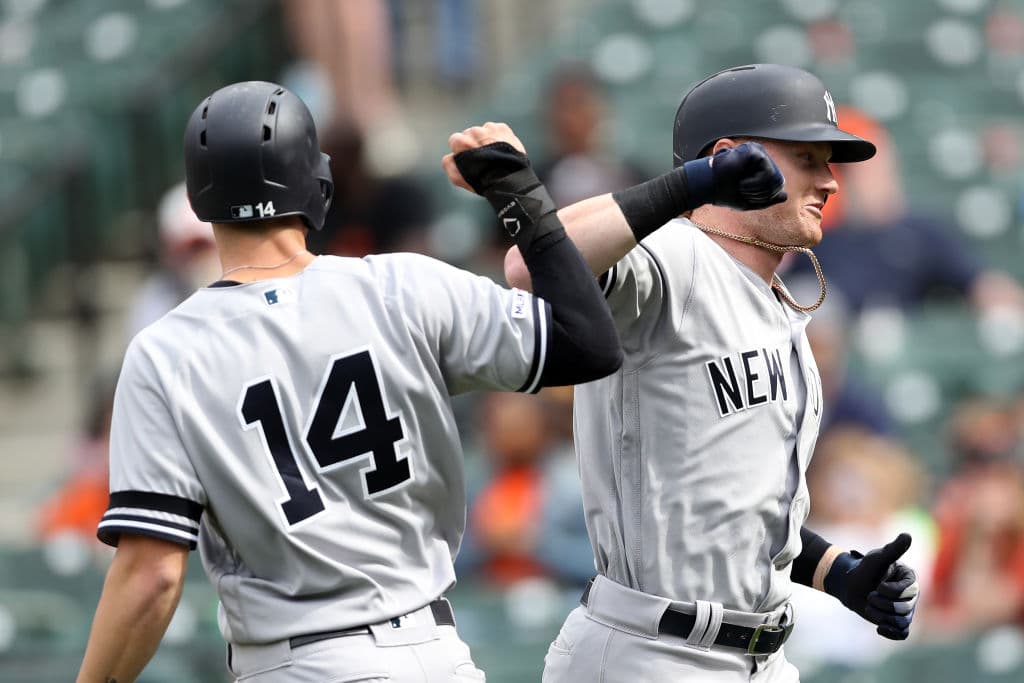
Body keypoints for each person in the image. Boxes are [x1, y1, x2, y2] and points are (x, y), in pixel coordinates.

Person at [75, 80, 627, 683]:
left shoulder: (166, 351)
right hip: (437, 655)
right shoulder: (403, 286)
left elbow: (153, 577)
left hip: (301, 662)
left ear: (198, 198)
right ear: (315, 181)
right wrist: (521, 196)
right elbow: (587, 342)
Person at [494, 64, 922, 681]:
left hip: (760, 654)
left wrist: (836, 571)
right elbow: (529, 265)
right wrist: (688, 187)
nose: (830, 181)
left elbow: (731, 506)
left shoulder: (774, 298)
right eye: (807, 159)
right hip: (653, 651)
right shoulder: (676, 257)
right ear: (728, 159)